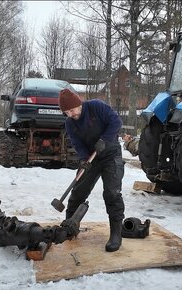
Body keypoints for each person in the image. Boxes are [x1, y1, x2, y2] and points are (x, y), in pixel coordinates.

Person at [59, 88, 125, 252]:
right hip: (91, 158)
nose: (71, 114)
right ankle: (70, 226)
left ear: (78, 103)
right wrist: (83, 159)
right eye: (66, 112)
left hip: (111, 155)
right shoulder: (69, 123)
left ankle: (116, 233)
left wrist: (105, 139)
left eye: (72, 109)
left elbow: (116, 122)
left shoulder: (96, 107)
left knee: (112, 193)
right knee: (78, 192)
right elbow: (77, 144)